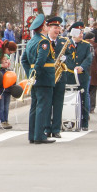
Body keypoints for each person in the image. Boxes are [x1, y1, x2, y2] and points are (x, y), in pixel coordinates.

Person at [20, 14, 56, 144]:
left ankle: (33, 135)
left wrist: (30, 73)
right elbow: (41, 61)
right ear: (43, 28)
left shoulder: (31, 41)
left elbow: (23, 60)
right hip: (44, 78)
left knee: (34, 107)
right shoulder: (43, 41)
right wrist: (36, 73)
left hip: (35, 77)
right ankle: (40, 135)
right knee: (43, 107)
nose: (47, 27)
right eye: (46, 25)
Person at [64, 23, 93, 131]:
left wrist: (82, 67)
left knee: (83, 97)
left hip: (82, 75)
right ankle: (67, 119)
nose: (81, 34)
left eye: (82, 32)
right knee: (67, 96)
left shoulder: (86, 45)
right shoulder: (66, 44)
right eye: (79, 32)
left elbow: (89, 58)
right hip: (68, 74)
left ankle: (84, 122)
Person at [44, 16, 67, 138]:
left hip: (60, 77)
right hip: (47, 77)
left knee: (58, 103)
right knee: (47, 103)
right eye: (55, 28)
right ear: (48, 28)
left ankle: (56, 129)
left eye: (58, 28)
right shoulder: (44, 41)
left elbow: (71, 56)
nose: (57, 30)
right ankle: (47, 128)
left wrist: (66, 59)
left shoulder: (63, 42)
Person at [84, 32, 97, 114]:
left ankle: (85, 107)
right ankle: (92, 107)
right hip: (95, 71)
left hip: (85, 71)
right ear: (93, 38)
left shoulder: (83, 45)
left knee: (85, 91)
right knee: (93, 91)